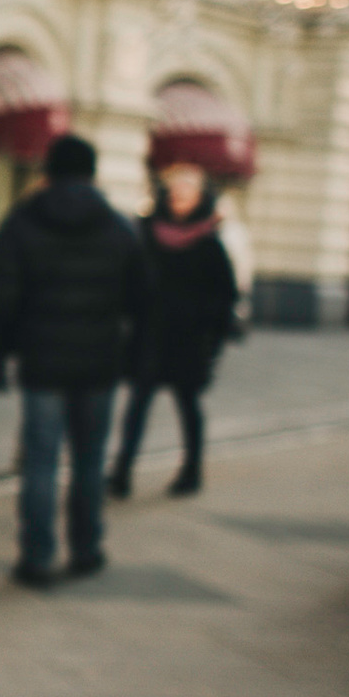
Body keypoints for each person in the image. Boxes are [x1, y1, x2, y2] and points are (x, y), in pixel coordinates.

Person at [0, 134, 151, 588]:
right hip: (99, 364)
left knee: (40, 462)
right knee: (90, 462)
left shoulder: (23, 222)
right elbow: (142, 299)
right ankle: (87, 550)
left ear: (48, 171)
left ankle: (37, 557)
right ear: (92, 172)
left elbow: (0, 297)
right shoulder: (117, 226)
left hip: (42, 361)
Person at [107, 163, 238, 500]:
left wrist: (212, 343)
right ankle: (122, 472)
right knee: (137, 405)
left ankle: (191, 469)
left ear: (200, 198)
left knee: (188, 406)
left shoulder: (210, 243)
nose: (179, 197)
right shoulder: (147, 234)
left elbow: (224, 297)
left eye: (187, 192)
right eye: (175, 191)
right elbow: (128, 281)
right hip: (150, 335)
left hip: (189, 340)